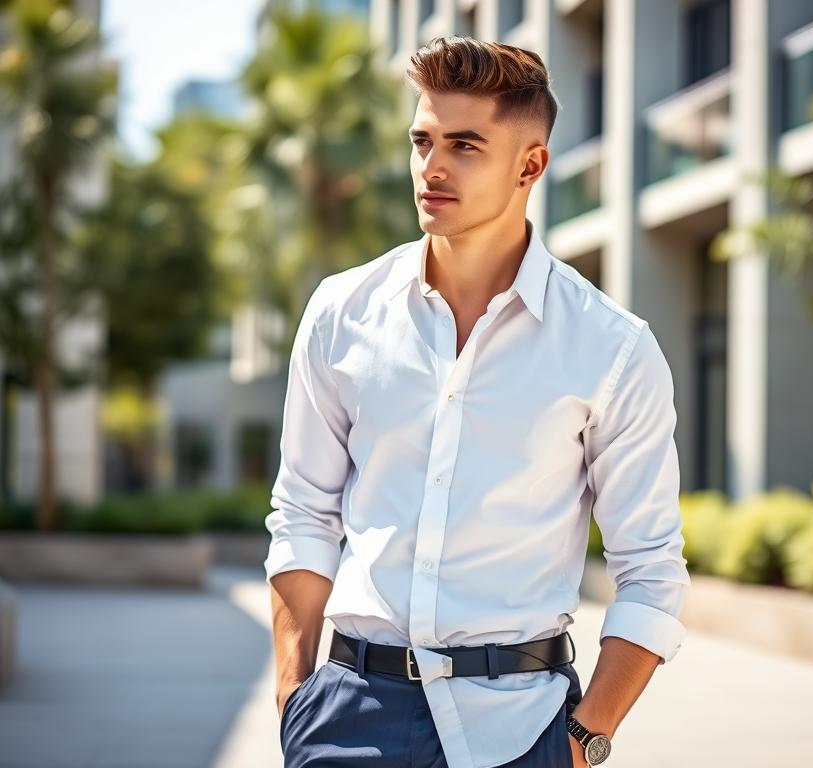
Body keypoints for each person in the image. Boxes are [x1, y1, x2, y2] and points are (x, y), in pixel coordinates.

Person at [264, 35, 691, 768]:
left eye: (465, 145)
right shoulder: (343, 313)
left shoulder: (611, 348)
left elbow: (650, 571)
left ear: (531, 164)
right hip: (347, 717)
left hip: (521, 728)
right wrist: (293, 693)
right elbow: (304, 509)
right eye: (422, 140)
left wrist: (582, 742)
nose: (432, 167)